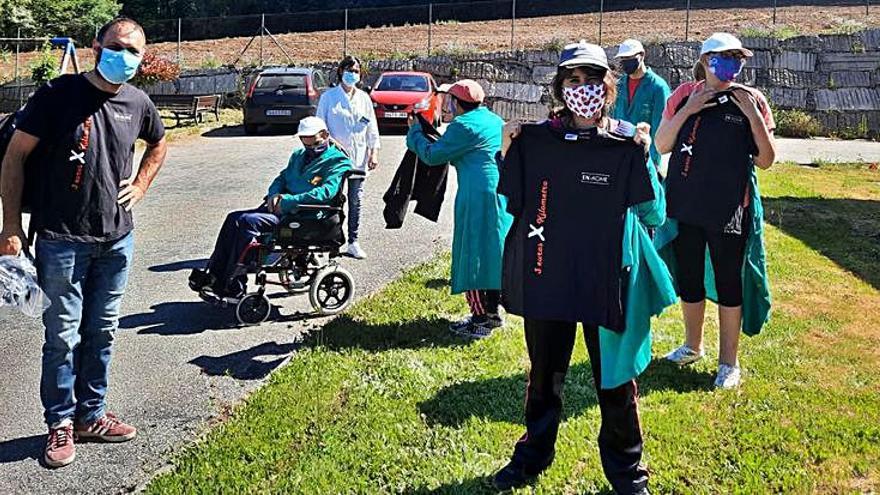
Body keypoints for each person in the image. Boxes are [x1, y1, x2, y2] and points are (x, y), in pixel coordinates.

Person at [493, 40, 674, 495]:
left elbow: (654, 214)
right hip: (547, 276)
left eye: (592, 78)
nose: (582, 88)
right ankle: (532, 456)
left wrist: (645, 156)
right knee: (544, 377)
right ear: (559, 86)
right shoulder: (535, 141)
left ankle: (628, 474)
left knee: (615, 382)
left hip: (605, 281)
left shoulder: (625, 143)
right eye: (573, 79)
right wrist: (506, 148)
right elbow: (511, 198)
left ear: (607, 86)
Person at [0, 17, 167, 468]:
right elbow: (14, 156)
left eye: (134, 51)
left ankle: (91, 415)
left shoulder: (138, 101)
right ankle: (60, 424)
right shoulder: (59, 95)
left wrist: (142, 185)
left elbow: (158, 144)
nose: (126, 57)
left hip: (116, 240)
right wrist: (10, 226)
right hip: (60, 241)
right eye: (118, 46)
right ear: (97, 46)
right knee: (62, 338)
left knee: (103, 333)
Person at [654, 32, 775, 389]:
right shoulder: (683, 95)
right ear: (707, 60)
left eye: (739, 58)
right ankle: (693, 346)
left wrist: (752, 116)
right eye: (726, 57)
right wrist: (690, 108)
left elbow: (766, 161)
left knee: (728, 282)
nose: (734, 64)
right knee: (689, 277)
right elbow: (662, 144)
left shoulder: (751, 98)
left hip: (729, 208)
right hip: (686, 203)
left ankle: (729, 363)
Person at [189, 116, 352, 298]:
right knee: (233, 218)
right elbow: (281, 178)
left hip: (305, 216)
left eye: (314, 144)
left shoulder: (337, 161)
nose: (310, 149)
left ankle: (233, 283)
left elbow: (326, 193)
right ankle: (214, 275)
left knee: (247, 222)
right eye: (306, 144)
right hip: (280, 208)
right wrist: (274, 194)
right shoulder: (298, 155)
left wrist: (288, 200)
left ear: (325, 135)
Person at [405, 79, 513, 339]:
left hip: (476, 196)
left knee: (472, 253)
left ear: (456, 102)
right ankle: (493, 312)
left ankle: (480, 319)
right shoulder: (492, 119)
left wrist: (414, 134)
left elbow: (433, 155)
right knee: (492, 253)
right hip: (499, 193)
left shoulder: (463, 125)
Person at [316, 55, 380, 260]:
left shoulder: (364, 98)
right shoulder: (328, 97)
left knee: (356, 200)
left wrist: (374, 151)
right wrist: (333, 143)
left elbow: (372, 128)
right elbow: (320, 127)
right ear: (340, 72)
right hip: (335, 158)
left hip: (359, 158)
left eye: (356, 71)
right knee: (332, 200)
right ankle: (327, 240)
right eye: (349, 70)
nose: (353, 74)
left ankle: (353, 241)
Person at [612, 39, 671, 170]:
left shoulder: (658, 87)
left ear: (642, 55)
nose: (626, 62)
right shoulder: (619, 85)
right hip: (620, 155)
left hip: (645, 155)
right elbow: (613, 118)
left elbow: (660, 125)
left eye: (630, 58)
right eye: (623, 59)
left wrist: (654, 160)